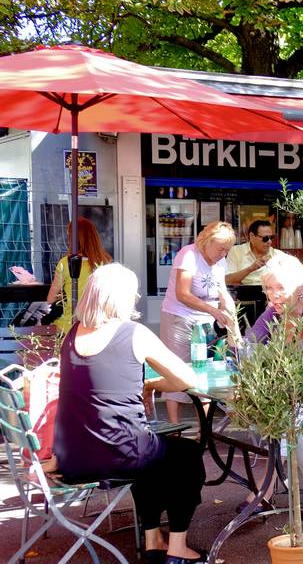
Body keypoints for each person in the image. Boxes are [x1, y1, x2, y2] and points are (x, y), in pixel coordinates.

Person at [55, 263, 207, 564]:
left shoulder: (72, 335)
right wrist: (153, 384)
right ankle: (177, 549)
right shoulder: (133, 333)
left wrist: (146, 383)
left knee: (152, 452)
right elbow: (188, 380)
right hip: (118, 455)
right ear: (123, 298)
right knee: (186, 456)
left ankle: (153, 540)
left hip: (73, 456)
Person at [246, 253, 303, 518]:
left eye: (280, 288)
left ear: (299, 290)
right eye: (268, 289)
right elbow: (248, 342)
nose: (273, 296)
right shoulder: (272, 314)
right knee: (288, 415)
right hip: (289, 396)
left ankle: (271, 484)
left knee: (291, 419)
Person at [160, 221, 236, 424]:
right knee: (177, 368)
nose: (223, 254)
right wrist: (213, 309)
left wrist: (231, 313)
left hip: (205, 322)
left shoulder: (220, 261)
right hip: (180, 317)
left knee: (204, 372)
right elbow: (182, 294)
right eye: (220, 248)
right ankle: (174, 426)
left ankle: (204, 428)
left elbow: (222, 291)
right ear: (207, 242)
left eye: (227, 250)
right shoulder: (188, 254)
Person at [46, 217, 113, 333]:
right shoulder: (105, 263)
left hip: (70, 326)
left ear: (73, 239)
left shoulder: (65, 263)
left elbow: (50, 299)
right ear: (93, 237)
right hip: (99, 326)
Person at [226, 219, 284, 286]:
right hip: (243, 293)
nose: (269, 241)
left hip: (270, 294)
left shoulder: (277, 255)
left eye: (271, 238)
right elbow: (227, 280)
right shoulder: (236, 251)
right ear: (252, 236)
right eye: (265, 238)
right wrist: (251, 268)